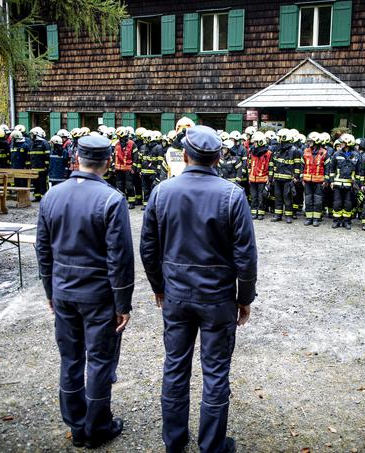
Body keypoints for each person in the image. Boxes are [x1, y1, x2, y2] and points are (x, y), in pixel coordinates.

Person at [140, 125, 257, 453]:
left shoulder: (162, 192)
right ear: (218, 158)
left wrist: (158, 286)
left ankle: (175, 443)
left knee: (176, 366)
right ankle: (211, 446)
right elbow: (246, 257)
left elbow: (148, 247)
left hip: (176, 296)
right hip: (218, 299)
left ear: (186, 155)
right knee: (216, 371)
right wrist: (244, 298)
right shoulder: (232, 194)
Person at [35, 135, 133, 449]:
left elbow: (43, 248)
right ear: (108, 162)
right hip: (98, 295)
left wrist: (50, 289)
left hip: (64, 291)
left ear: (76, 158)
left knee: (71, 359)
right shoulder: (111, 199)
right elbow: (120, 257)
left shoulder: (53, 195)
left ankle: (78, 426)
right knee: (101, 361)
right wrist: (123, 302)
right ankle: (97, 427)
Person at [328, 134, 360, 230]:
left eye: (342, 143)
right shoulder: (336, 154)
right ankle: (336, 221)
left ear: (348, 144)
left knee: (348, 204)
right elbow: (332, 170)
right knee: (337, 203)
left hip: (349, 185)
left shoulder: (356, 156)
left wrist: (357, 183)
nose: (341, 144)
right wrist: (332, 181)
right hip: (338, 184)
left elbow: (359, 171)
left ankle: (347, 222)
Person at [270, 129, 300, 223]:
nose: (278, 139)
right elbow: (273, 163)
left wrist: (296, 177)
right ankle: (278, 215)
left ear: (284, 138)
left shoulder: (295, 151)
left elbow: (297, 165)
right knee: (278, 197)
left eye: (280, 137)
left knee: (287, 197)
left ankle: (288, 216)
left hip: (288, 179)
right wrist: (271, 177)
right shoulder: (277, 149)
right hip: (278, 178)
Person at [301, 131, 328, 226]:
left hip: (319, 181)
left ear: (316, 141)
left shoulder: (324, 152)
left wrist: (326, 179)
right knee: (308, 199)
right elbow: (302, 165)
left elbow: (327, 167)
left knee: (318, 200)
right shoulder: (305, 151)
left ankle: (316, 218)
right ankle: (309, 218)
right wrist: (302, 177)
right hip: (308, 180)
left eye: (311, 141)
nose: (309, 142)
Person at [248, 131, 273, 220]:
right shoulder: (252, 152)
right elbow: (250, 165)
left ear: (260, 142)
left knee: (261, 197)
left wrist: (269, 179)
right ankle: (254, 212)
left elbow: (270, 167)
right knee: (254, 197)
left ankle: (261, 213)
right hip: (252, 178)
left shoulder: (268, 153)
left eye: (255, 142)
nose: (254, 144)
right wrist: (249, 175)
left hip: (262, 179)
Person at [113, 127, 138, 208]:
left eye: (119, 136)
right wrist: (113, 166)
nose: (118, 138)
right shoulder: (117, 144)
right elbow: (114, 156)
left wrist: (134, 168)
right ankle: (122, 202)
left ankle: (131, 202)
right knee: (119, 186)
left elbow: (136, 157)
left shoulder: (132, 144)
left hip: (128, 169)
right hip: (118, 169)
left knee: (129, 186)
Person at [29, 127, 50, 201]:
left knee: (43, 184)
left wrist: (46, 166)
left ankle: (44, 197)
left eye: (32, 135)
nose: (31, 137)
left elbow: (47, 156)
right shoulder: (32, 143)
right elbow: (30, 156)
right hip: (34, 168)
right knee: (36, 184)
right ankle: (37, 197)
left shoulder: (44, 143)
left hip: (42, 168)